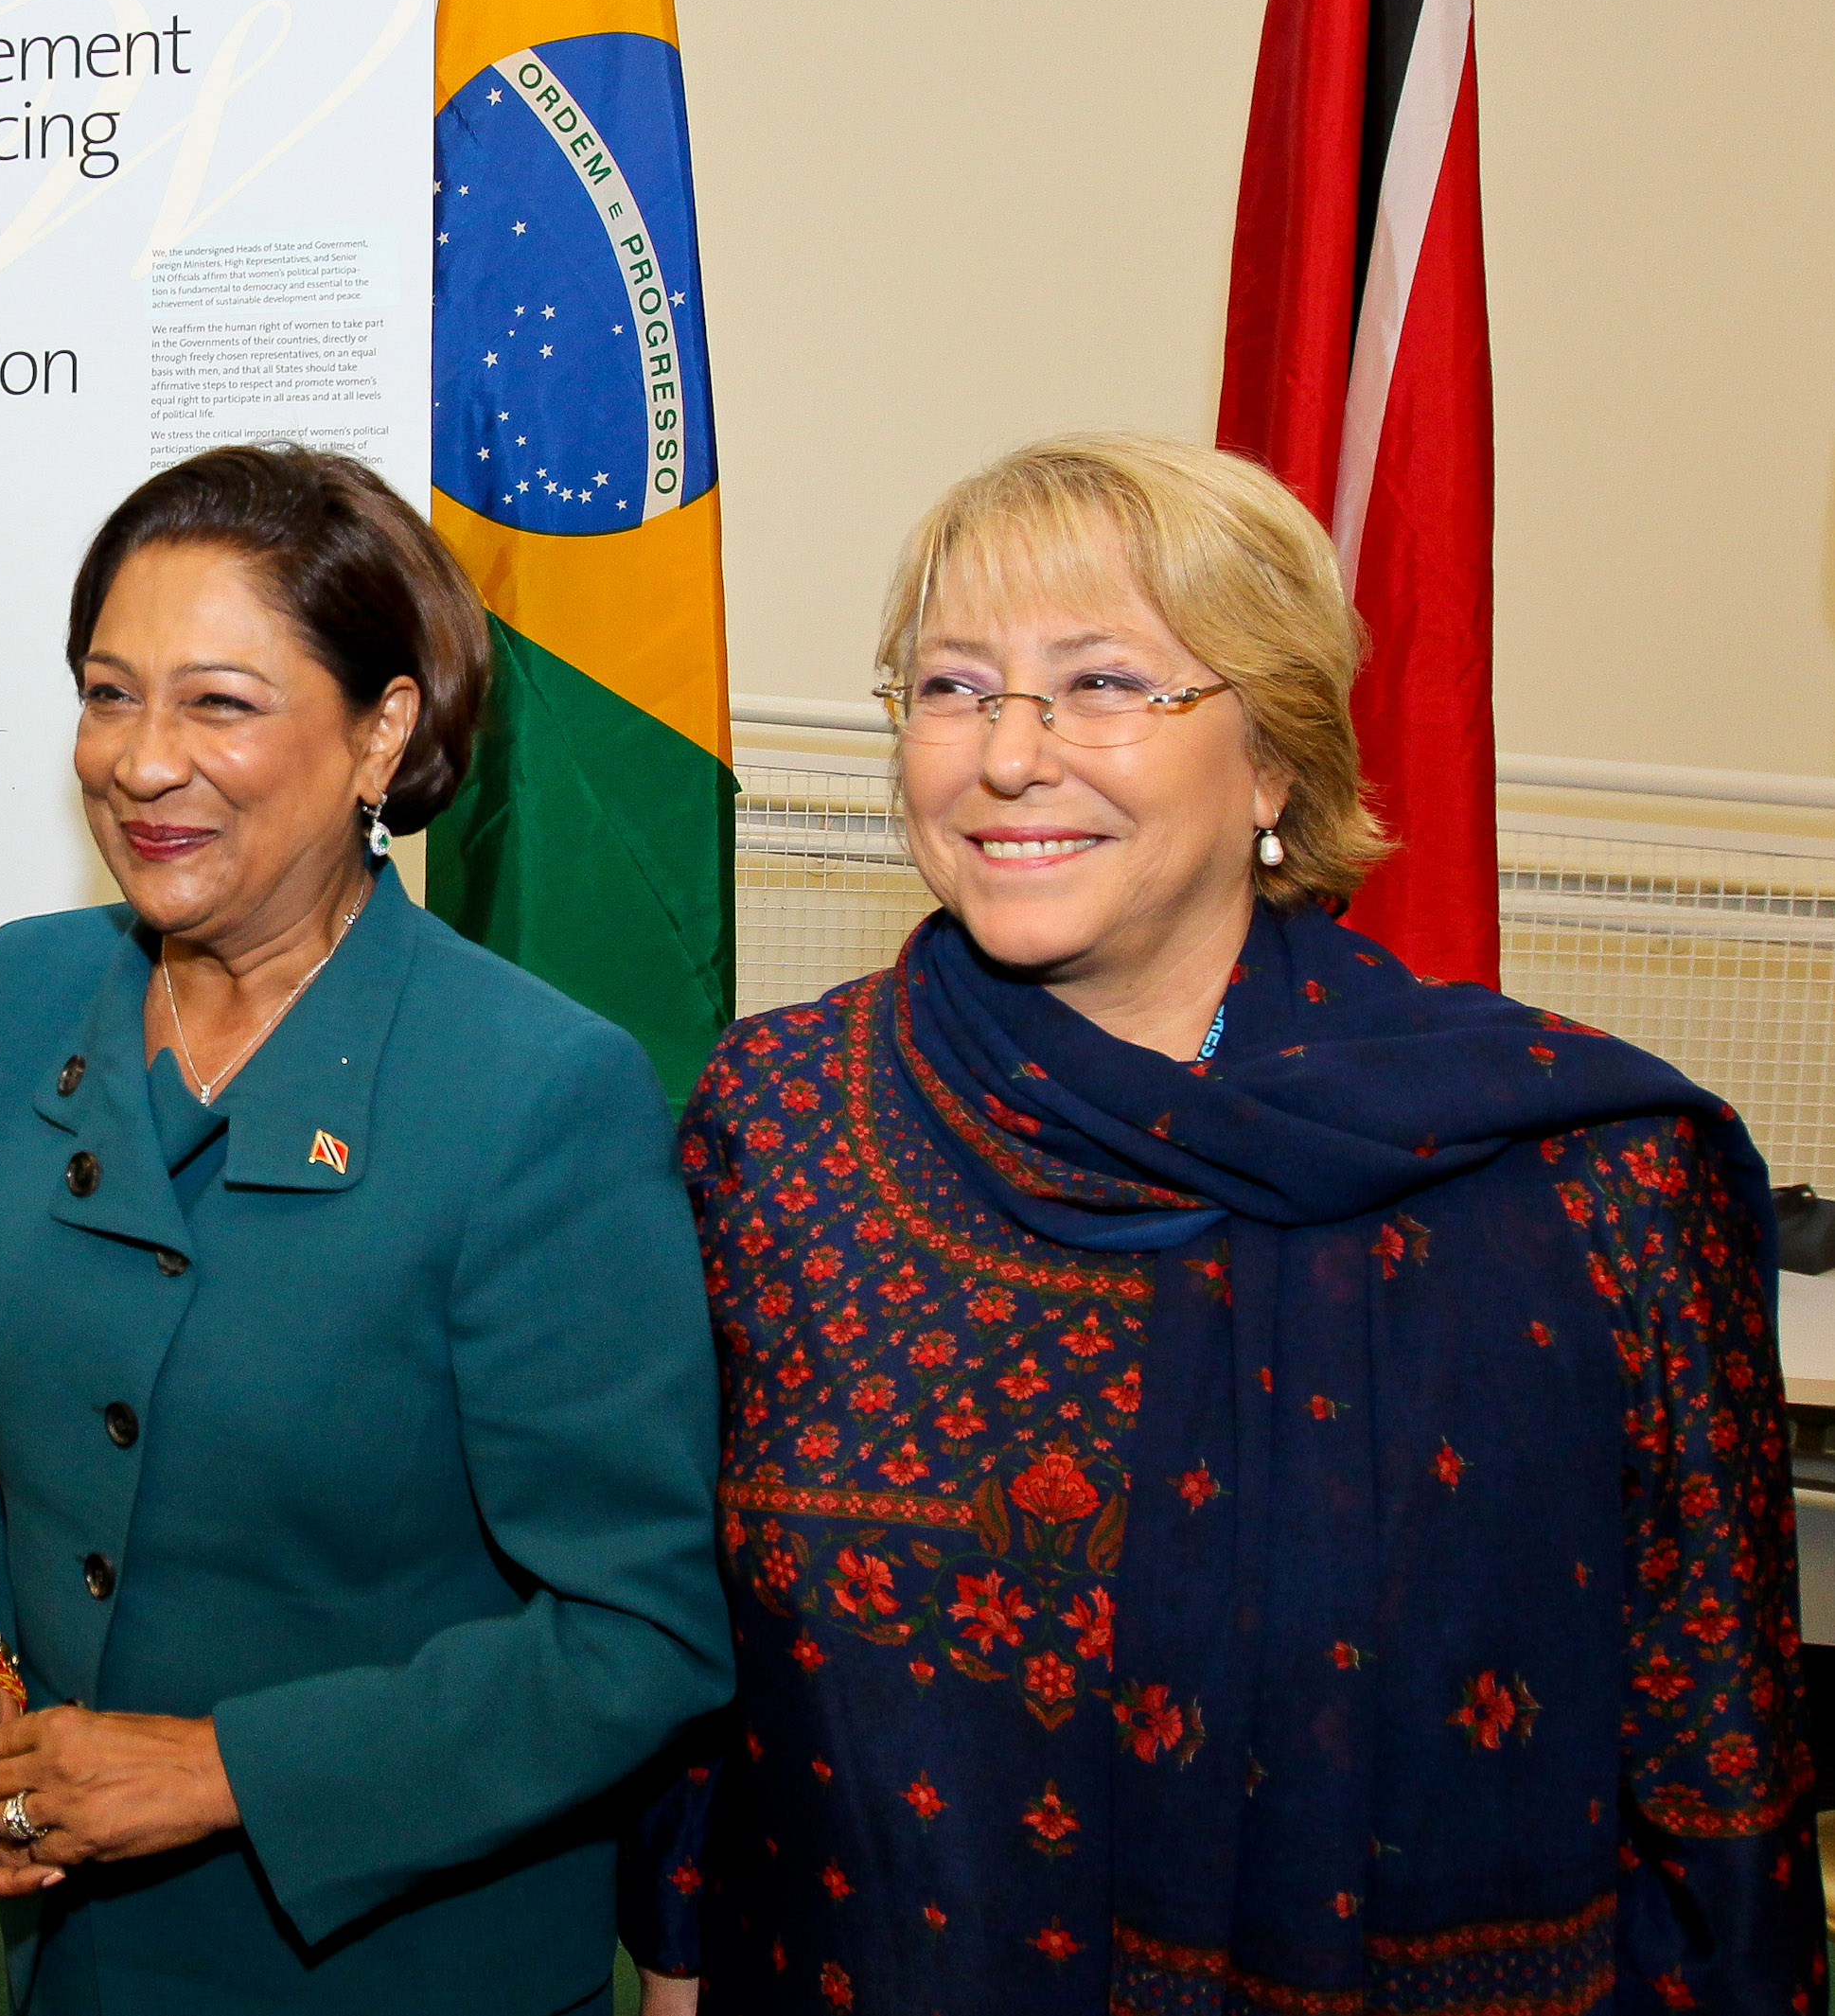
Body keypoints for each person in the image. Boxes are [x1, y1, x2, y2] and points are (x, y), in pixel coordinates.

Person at [626, 433, 1817, 2013]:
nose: (1006, 754)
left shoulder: (1588, 1178)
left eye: (1106, 683)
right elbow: (702, 1674)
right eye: (951, 685)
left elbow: (1713, 1744)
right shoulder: (773, 1121)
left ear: (1272, 759)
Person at [0, 443, 737, 2014]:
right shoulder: (17, 993)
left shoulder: (537, 1091)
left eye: (218, 702)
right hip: (67, 1945)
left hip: (389, 1957)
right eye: (107, 692)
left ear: (381, 729)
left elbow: (636, 1634)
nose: (139, 762)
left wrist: (221, 1772)